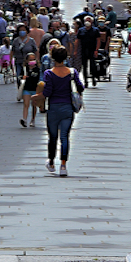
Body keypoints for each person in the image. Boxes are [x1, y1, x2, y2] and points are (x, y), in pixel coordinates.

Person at [38, 47, 84, 176]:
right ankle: (63, 165)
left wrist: (37, 97)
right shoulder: (72, 72)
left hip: (53, 108)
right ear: (65, 57)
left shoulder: (49, 73)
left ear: (52, 57)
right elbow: (81, 87)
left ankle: (51, 162)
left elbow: (47, 92)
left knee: (52, 137)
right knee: (65, 137)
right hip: (68, 107)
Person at [18, 49, 43, 126]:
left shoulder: (38, 69)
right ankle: (24, 119)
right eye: (30, 59)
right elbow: (19, 77)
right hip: (27, 88)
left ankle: (33, 119)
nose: (32, 61)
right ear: (27, 60)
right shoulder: (25, 69)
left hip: (35, 89)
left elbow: (40, 78)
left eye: (33, 59)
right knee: (26, 104)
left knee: (34, 105)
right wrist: (23, 77)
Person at [77, 17, 101, 86]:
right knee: (84, 66)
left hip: (92, 50)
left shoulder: (95, 30)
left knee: (92, 65)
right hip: (84, 50)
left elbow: (98, 40)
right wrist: (75, 50)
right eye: (86, 20)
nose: (87, 21)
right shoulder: (81, 30)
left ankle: (94, 78)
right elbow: (77, 40)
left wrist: (96, 50)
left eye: (89, 20)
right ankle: (85, 81)